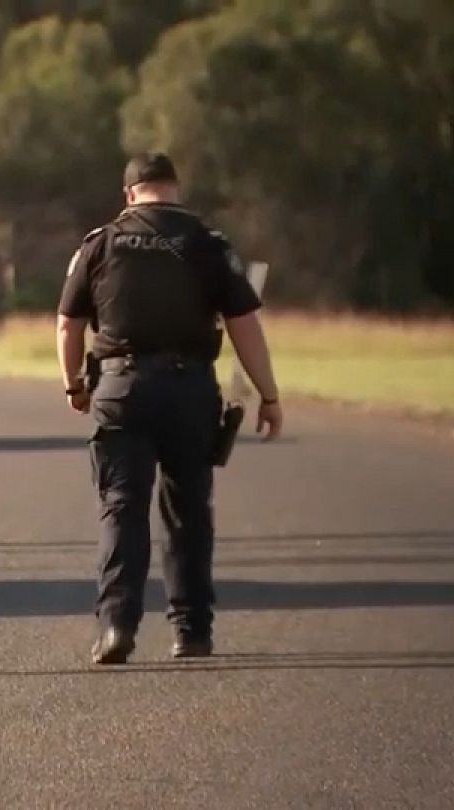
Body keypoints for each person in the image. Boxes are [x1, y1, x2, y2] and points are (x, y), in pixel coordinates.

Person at [56, 153, 283, 665]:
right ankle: (192, 631)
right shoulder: (208, 243)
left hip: (121, 389)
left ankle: (116, 626)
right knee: (188, 513)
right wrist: (268, 395)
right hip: (189, 391)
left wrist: (74, 385)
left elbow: (68, 323)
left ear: (130, 193)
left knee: (121, 507)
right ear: (174, 189)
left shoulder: (101, 243)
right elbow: (244, 324)